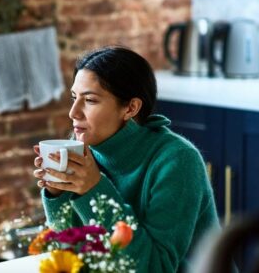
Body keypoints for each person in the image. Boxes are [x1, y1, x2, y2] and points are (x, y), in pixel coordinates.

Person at [33, 46, 220, 272]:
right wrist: (57, 193)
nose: (73, 112)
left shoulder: (178, 161)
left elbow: (155, 267)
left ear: (131, 107)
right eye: (74, 98)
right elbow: (71, 253)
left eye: (90, 100)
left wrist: (94, 188)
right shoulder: (84, 150)